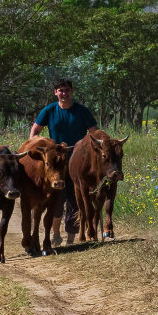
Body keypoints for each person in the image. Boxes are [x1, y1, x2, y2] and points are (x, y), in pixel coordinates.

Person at [29, 79, 98, 240]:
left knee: (76, 200)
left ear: (72, 91)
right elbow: (35, 130)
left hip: (78, 162)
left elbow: (95, 133)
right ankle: (56, 234)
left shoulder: (82, 111)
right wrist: (35, 149)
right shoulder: (49, 110)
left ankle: (71, 237)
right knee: (56, 200)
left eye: (67, 90)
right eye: (60, 90)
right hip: (56, 164)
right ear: (55, 92)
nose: (64, 93)